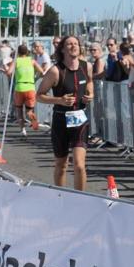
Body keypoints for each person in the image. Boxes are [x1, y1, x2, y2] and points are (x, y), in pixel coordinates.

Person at [36, 35, 94, 191]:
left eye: (76, 44)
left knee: (79, 165)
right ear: (62, 49)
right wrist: (59, 100)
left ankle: (80, 198)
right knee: (62, 164)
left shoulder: (86, 66)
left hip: (80, 119)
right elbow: (39, 95)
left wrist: (91, 94)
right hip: (61, 120)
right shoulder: (55, 71)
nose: (74, 46)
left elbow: (89, 81)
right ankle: (60, 196)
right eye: (69, 44)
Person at [4, 43, 40, 136]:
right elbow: (42, 71)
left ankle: (23, 130)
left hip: (19, 87)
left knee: (19, 111)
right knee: (29, 111)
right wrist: (35, 77)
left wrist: (6, 71)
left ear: (18, 53)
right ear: (27, 52)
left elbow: (9, 72)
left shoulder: (16, 61)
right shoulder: (32, 61)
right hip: (30, 87)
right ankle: (34, 123)